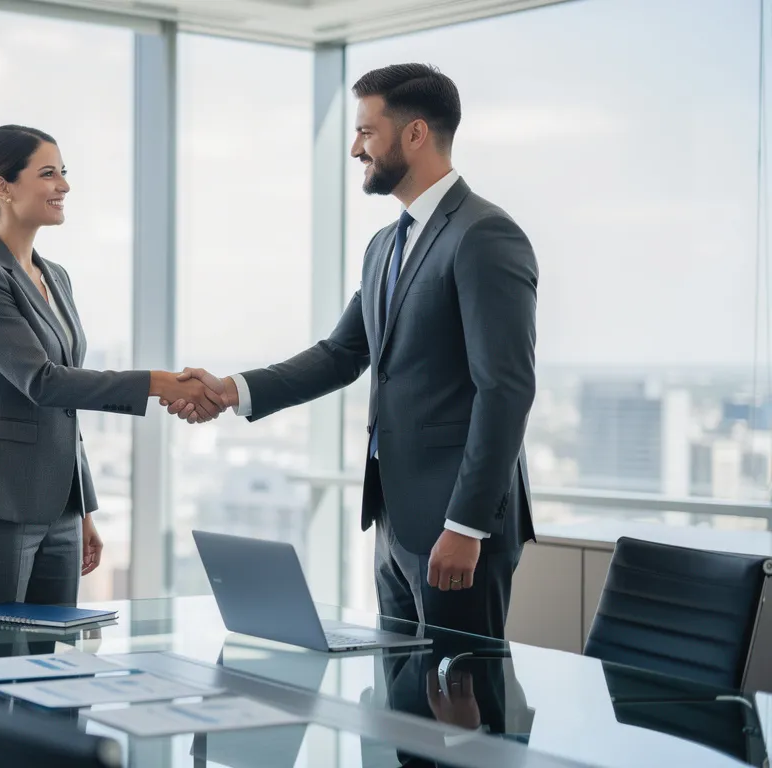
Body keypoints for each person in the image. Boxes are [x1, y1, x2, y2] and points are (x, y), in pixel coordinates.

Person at [166, 64, 537, 639]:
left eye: (366, 132)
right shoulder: (386, 244)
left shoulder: (484, 235)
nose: (354, 148)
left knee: (464, 707)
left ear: (414, 134)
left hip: (457, 525)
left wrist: (466, 525)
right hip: (396, 520)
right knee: (402, 702)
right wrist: (232, 390)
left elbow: (506, 389)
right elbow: (341, 354)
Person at [0, 124, 220, 612]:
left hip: (58, 507)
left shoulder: (55, 277)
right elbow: (42, 382)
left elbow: (67, 408)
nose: (64, 185)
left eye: (63, 172)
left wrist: (80, 505)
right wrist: (158, 382)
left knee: (49, 667)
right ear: (2, 187)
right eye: (48, 173)